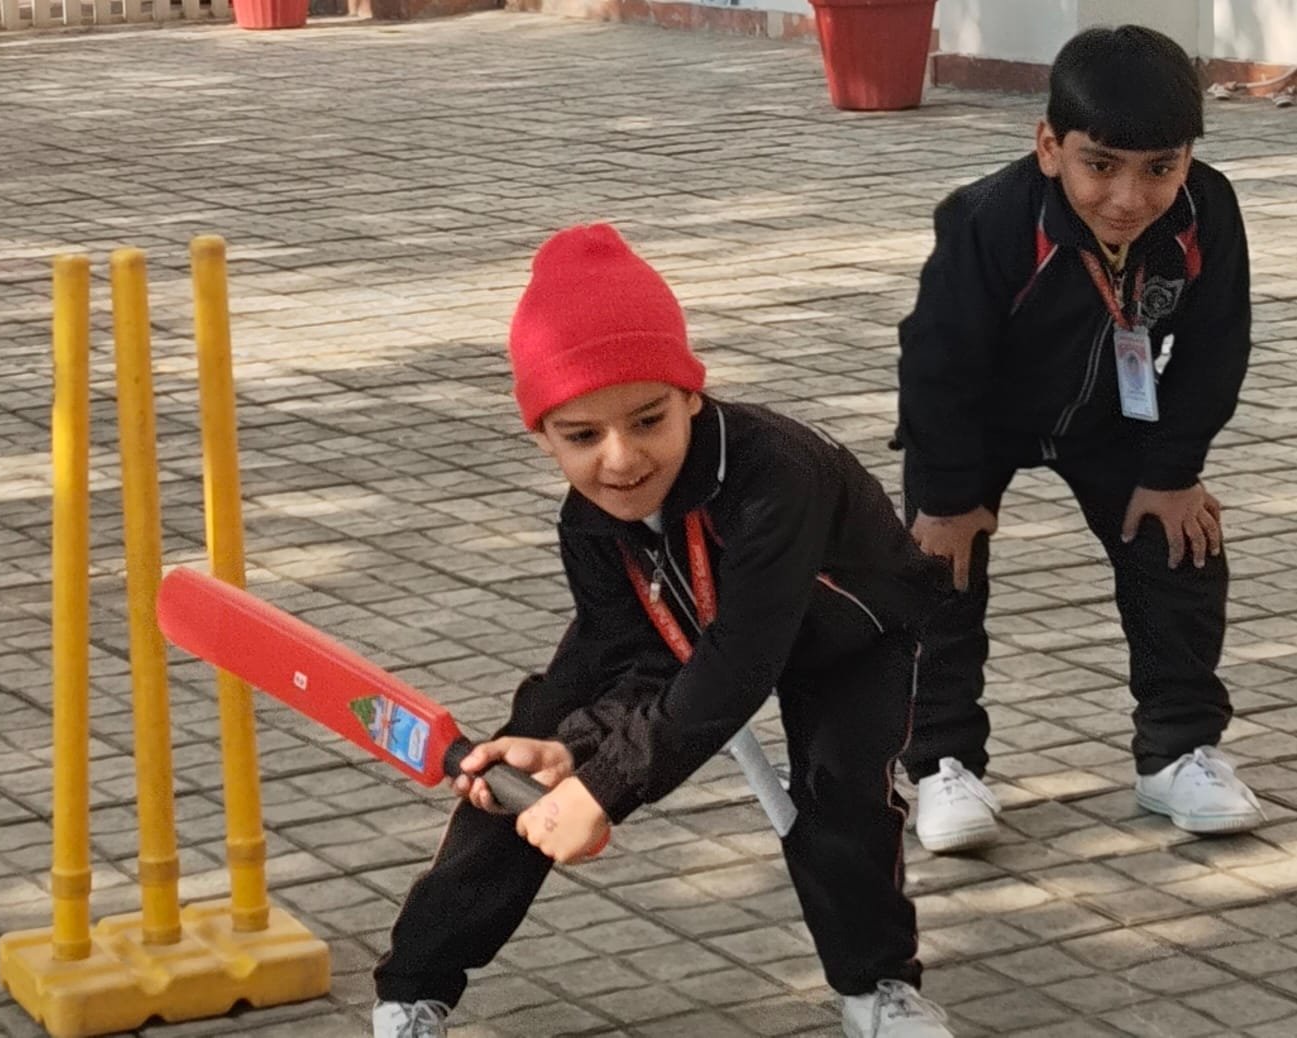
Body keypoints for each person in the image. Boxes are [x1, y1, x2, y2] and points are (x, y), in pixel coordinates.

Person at [371, 223, 952, 1037]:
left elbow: (738, 664)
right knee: (519, 756)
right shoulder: (589, 521)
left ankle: (878, 988)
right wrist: (571, 748)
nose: (620, 460)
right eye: (581, 436)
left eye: (647, 420)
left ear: (691, 395)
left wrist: (604, 786)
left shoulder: (776, 475)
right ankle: (411, 991)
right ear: (540, 435)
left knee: (838, 790)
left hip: (847, 638)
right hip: (702, 634)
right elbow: (625, 652)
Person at [895, 24, 1262, 855]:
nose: (1128, 197)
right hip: (976, 422)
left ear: (1188, 158)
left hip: (1112, 418)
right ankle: (942, 765)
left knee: (1181, 545)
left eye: (1159, 168)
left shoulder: (1207, 211)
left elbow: (1215, 348)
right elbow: (935, 364)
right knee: (936, 572)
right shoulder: (988, 219)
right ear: (1048, 147)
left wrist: (1173, 473)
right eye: (1100, 164)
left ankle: (1176, 753)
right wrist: (947, 498)